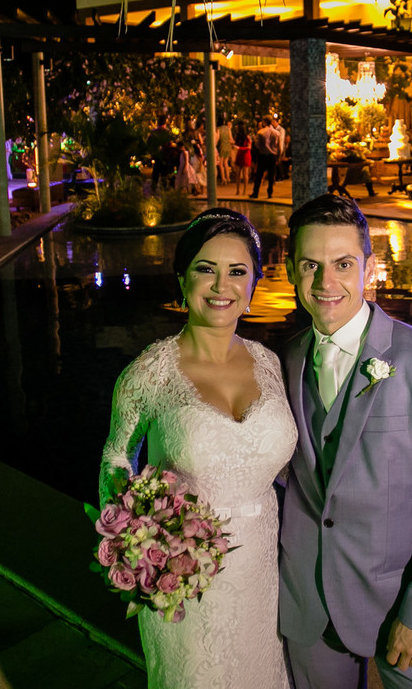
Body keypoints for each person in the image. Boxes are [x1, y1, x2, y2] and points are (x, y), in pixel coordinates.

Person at [278, 194, 412, 689]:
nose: (325, 283)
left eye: (343, 264)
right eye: (310, 265)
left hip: (404, 604)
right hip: (309, 608)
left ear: (369, 269)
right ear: (290, 271)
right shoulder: (283, 361)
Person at [100, 208, 296, 689]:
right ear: (182, 279)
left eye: (237, 271)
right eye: (206, 269)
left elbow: (286, 466)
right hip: (182, 577)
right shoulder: (149, 373)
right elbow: (116, 458)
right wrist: (139, 543)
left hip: (263, 568)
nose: (221, 285)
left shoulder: (270, 363)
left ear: (253, 284)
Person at [249, 115, 281, 199]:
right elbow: (279, 147)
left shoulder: (261, 132)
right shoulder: (277, 133)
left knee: (259, 175)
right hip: (272, 156)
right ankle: (270, 193)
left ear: (264, 122)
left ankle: (255, 192)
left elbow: (257, 146)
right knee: (271, 176)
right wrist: (278, 157)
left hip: (263, 155)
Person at [232, 121, 252, 196]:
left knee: (244, 173)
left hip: (244, 155)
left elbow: (249, 147)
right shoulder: (238, 137)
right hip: (241, 155)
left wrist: (239, 148)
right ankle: (240, 190)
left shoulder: (247, 137)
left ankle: (243, 190)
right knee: (239, 173)